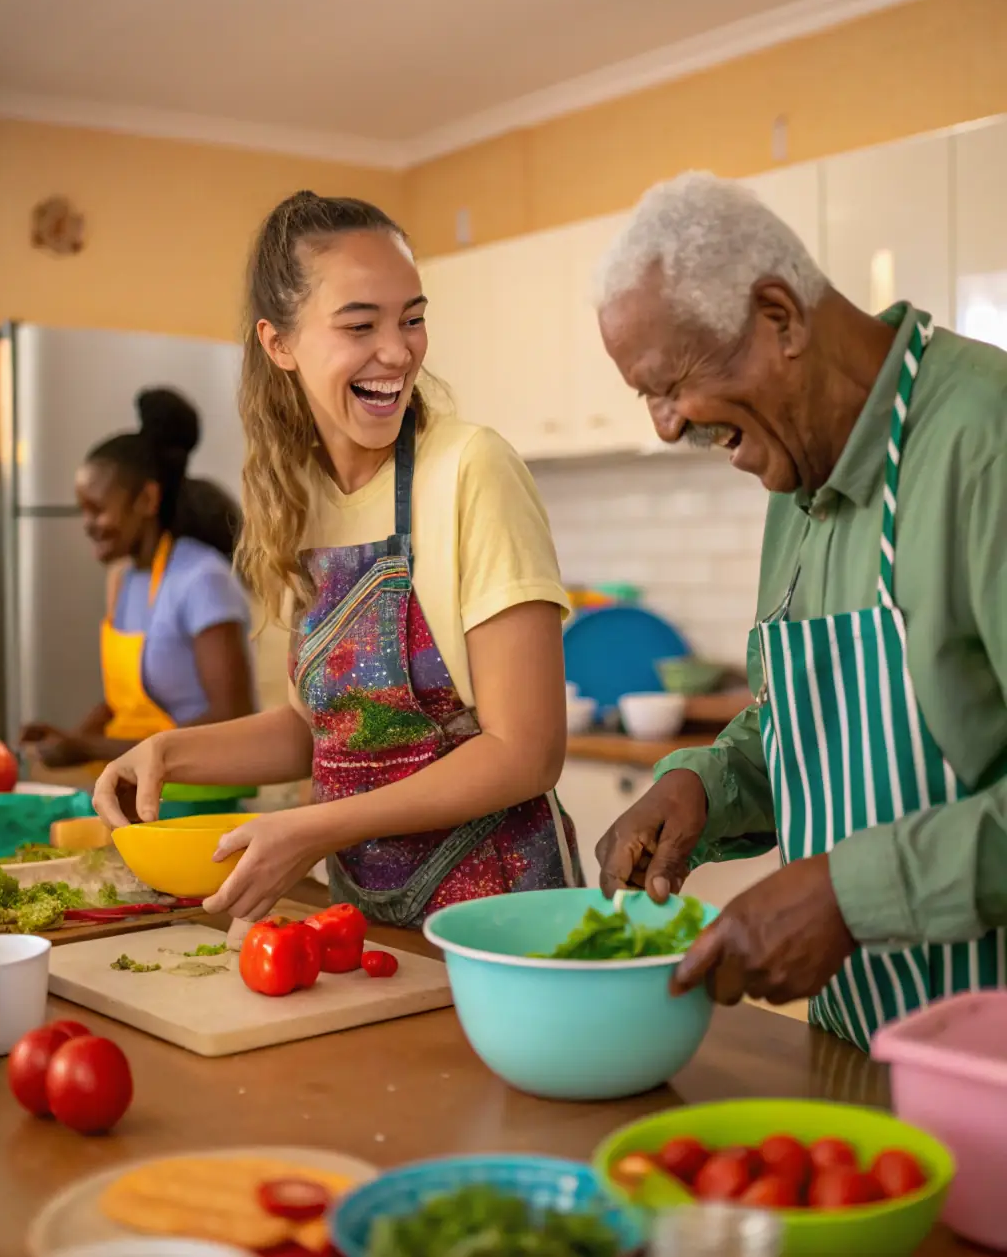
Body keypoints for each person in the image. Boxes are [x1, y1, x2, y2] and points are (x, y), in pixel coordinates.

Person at [593, 171, 1007, 1052]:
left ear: (780, 318)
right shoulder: (795, 472)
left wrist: (854, 893)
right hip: (856, 1045)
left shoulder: (987, 438)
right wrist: (705, 784)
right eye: (646, 399)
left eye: (670, 384)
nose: (666, 427)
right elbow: (823, 730)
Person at [92, 192, 580, 926]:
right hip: (366, 925)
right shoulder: (297, 497)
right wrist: (168, 753)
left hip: (504, 923)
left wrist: (315, 827)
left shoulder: (472, 468)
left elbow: (527, 751)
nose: (399, 350)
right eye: (361, 324)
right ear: (279, 342)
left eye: (412, 318)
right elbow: (319, 731)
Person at [21, 388, 256, 796]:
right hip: (144, 787)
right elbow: (125, 704)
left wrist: (86, 747)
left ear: (146, 499)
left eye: (97, 508)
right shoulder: (129, 580)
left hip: (200, 798)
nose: (87, 524)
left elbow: (233, 721)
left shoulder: (202, 578)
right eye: (83, 511)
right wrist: (69, 739)